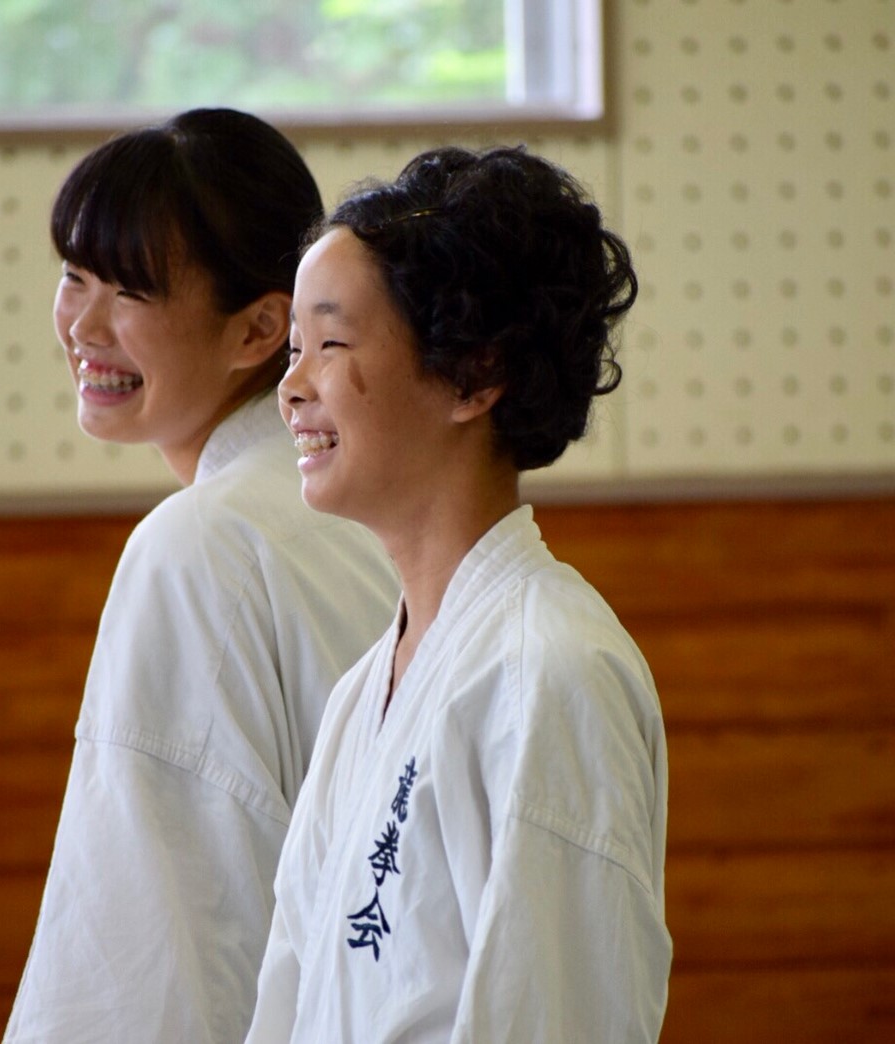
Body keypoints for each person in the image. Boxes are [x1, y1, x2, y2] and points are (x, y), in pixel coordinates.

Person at [246, 145, 671, 1041]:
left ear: (473, 374)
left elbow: (561, 1014)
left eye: (331, 344)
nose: (291, 389)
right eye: (292, 350)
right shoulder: (370, 686)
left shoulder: (550, 671)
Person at [4, 109, 399, 1043]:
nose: (84, 326)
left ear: (261, 327)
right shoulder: (359, 509)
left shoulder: (198, 544)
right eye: (74, 276)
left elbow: (148, 941)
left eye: (130, 291)